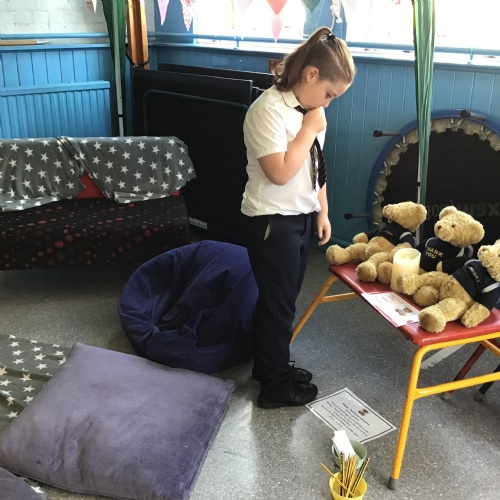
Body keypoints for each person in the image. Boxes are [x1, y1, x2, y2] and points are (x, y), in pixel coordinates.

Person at [240, 27, 356, 409]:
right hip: (272, 221)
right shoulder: (268, 111)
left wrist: (323, 209)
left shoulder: (310, 111)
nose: (328, 103)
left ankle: (268, 367)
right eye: (329, 93)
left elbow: (314, 164)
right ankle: (275, 388)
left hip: (299, 216)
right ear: (310, 74)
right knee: (279, 307)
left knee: (282, 300)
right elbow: (280, 173)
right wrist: (308, 129)